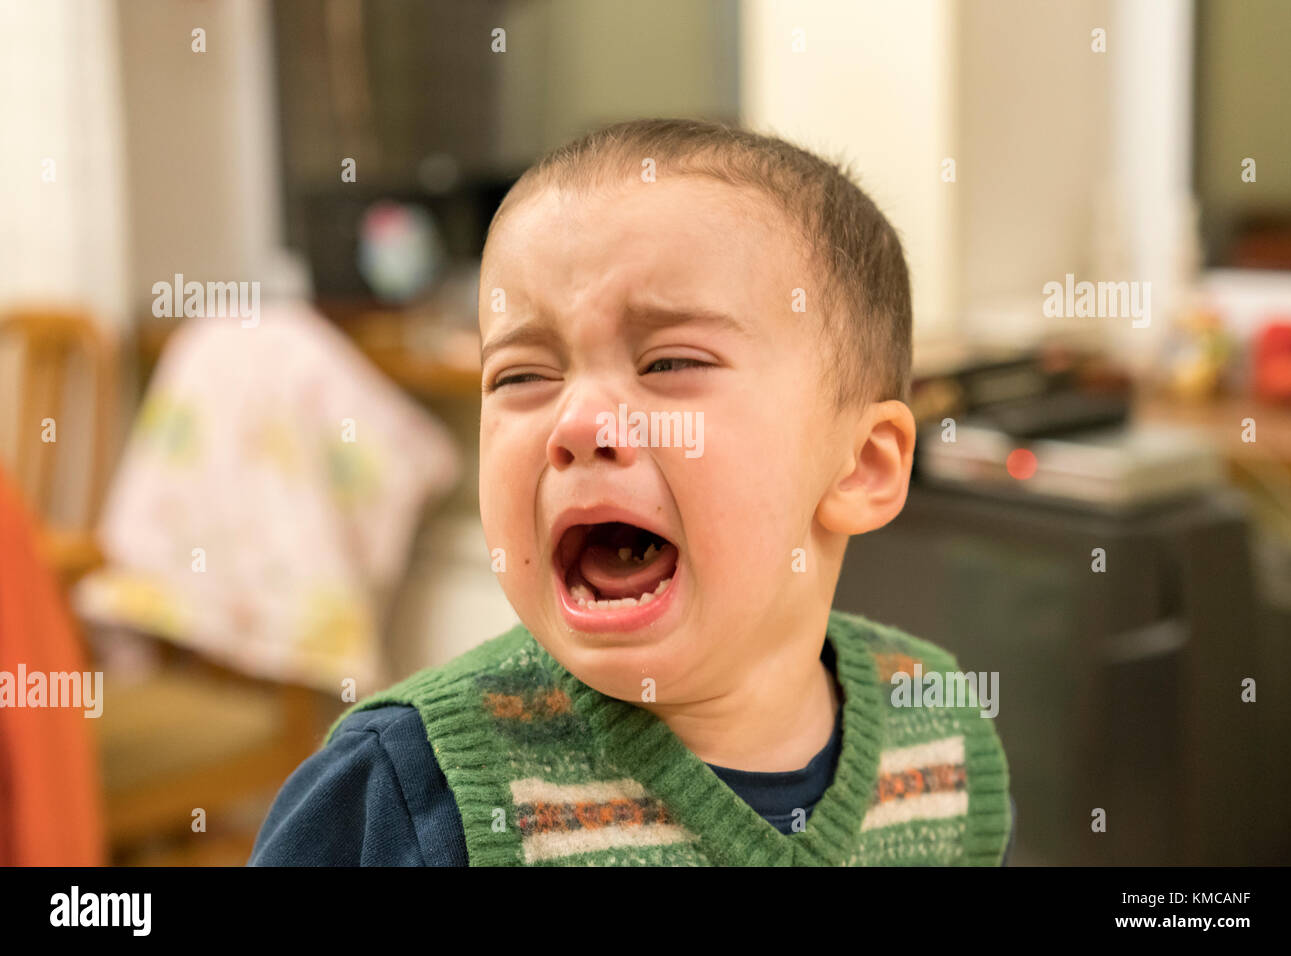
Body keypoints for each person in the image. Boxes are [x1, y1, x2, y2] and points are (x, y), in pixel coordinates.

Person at [250, 118, 1015, 866]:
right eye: (522, 376)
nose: (578, 423)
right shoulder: (402, 790)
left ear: (862, 468)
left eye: (669, 363)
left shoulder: (939, 727)